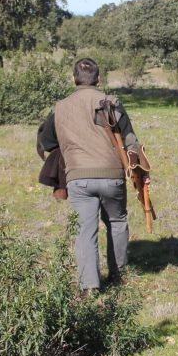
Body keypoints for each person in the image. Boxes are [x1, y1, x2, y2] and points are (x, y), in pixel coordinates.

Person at [38, 58, 140, 291]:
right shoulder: (111, 102)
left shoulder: (59, 108)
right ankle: (119, 276)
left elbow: (47, 142)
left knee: (85, 230)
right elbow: (130, 140)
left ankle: (90, 286)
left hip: (78, 178)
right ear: (98, 79)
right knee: (117, 221)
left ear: (74, 79)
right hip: (113, 174)